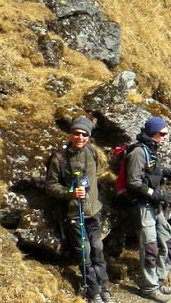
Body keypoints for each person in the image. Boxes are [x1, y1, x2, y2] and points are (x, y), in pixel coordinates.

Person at [43, 116, 114, 303]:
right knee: (85, 251)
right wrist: (71, 193)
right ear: (70, 134)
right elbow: (50, 185)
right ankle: (93, 292)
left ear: (89, 137)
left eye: (84, 134)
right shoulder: (60, 158)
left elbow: (97, 175)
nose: (80, 137)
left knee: (98, 248)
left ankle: (105, 288)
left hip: (93, 211)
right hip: (75, 214)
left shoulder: (92, 152)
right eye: (76, 133)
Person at [125, 116, 171, 302]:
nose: (165, 137)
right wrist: (158, 195)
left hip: (155, 206)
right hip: (143, 206)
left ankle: (158, 280)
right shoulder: (138, 153)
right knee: (150, 247)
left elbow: (154, 170)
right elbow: (133, 182)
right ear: (152, 133)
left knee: (170, 242)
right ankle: (149, 287)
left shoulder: (152, 149)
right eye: (162, 133)